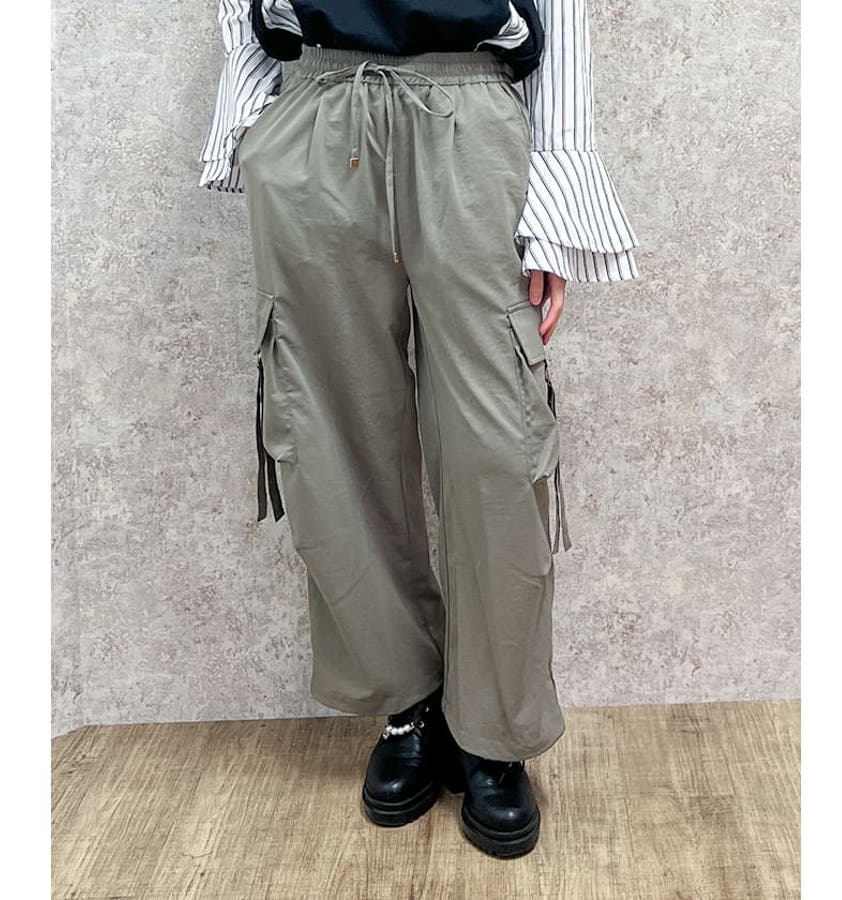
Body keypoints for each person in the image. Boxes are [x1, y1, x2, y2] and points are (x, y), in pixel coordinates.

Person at [199, 0, 638, 858]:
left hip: (467, 110)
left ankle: (493, 727)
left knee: (497, 441)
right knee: (328, 431)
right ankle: (409, 702)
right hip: (319, 108)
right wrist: (255, 118)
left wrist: (556, 202)